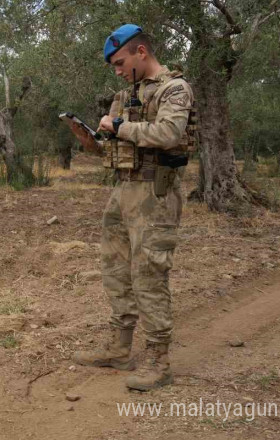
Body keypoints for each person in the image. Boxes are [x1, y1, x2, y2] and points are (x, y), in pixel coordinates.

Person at [65, 24, 197, 391]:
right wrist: (91, 140)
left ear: (142, 52)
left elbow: (169, 134)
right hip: (123, 190)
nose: (118, 71)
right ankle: (120, 348)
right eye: (113, 66)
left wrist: (119, 126)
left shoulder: (175, 89)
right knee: (116, 270)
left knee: (149, 274)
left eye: (121, 63)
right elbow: (114, 146)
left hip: (155, 193)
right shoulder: (126, 95)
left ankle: (159, 360)